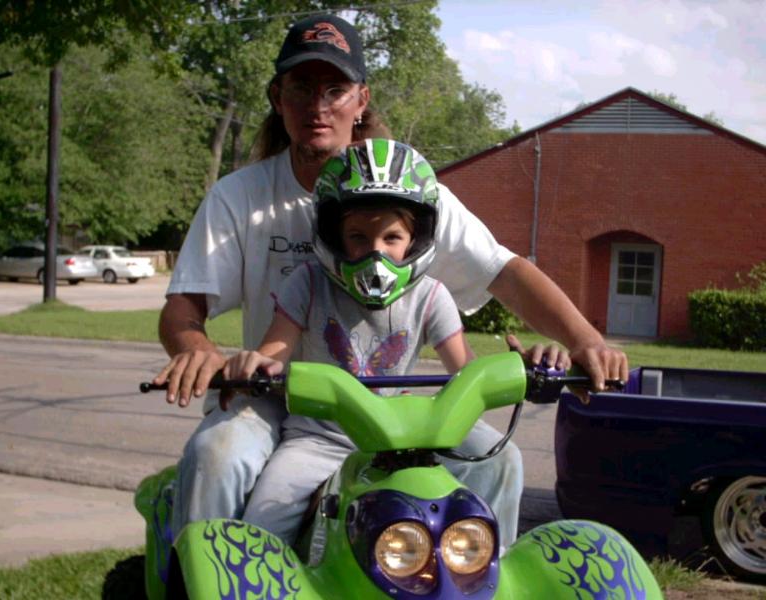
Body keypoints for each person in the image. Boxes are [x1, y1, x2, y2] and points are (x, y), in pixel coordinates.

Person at [154, 13, 627, 542]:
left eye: (335, 90)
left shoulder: (409, 190)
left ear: (361, 99)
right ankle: (213, 575)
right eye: (302, 88)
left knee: (498, 460)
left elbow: (505, 272)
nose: (317, 106)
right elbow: (183, 309)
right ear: (277, 97)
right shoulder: (238, 197)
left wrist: (585, 342)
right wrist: (199, 351)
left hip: (390, 404)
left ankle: (481, 576)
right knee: (217, 454)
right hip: (275, 395)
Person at [225, 137, 569, 545]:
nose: (376, 253)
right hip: (320, 438)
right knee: (263, 522)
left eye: (391, 238)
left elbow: (467, 371)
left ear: (416, 239)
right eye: (358, 237)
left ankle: (488, 564)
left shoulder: (431, 296)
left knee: (502, 458)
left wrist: (522, 368)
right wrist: (254, 366)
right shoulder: (308, 283)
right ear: (334, 236)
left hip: (409, 437)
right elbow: (273, 354)